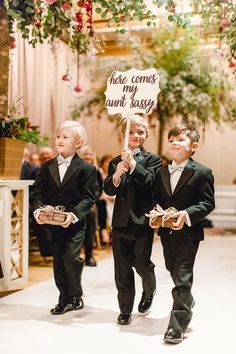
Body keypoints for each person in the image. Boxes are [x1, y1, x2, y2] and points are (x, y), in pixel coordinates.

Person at [151, 124, 215, 344]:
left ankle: (177, 325)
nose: (174, 143)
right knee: (172, 269)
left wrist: (186, 215)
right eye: (171, 140)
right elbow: (156, 199)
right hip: (166, 233)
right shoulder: (160, 172)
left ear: (193, 146)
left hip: (188, 233)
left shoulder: (203, 172)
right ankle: (187, 300)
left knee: (182, 276)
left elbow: (207, 202)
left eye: (180, 140)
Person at [31, 120, 97, 315]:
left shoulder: (87, 169)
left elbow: (88, 198)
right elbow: (37, 194)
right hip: (52, 224)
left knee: (70, 256)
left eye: (65, 137)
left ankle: (74, 294)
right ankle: (66, 297)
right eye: (58, 136)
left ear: (78, 143)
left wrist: (74, 215)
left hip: (74, 224)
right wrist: (37, 211)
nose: (60, 140)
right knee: (59, 260)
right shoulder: (46, 167)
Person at [103, 114, 162, 325]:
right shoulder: (115, 161)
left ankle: (149, 288)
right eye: (131, 131)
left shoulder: (153, 160)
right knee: (122, 268)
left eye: (140, 132)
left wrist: (134, 165)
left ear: (146, 135)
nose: (135, 135)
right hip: (120, 222)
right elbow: (109, 189)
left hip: (141, 221)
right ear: (123, 134)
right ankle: (125, 309)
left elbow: (151, 183)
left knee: (141, 263)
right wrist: (117, 174)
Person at [78, 145, 103, 266]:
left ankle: (89, 255)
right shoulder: (75, 169)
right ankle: (74, 255)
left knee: (90, 214)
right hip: (75, 203)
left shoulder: (95, 171)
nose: (87, 157)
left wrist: (90, 200)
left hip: (89, 204)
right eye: (85, 154)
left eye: (89, 154)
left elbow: (98, 190)